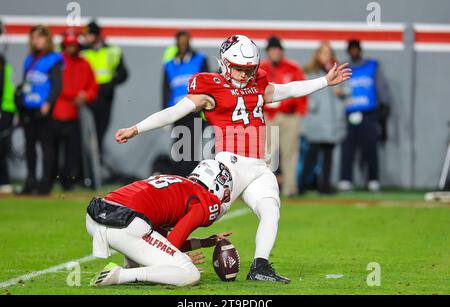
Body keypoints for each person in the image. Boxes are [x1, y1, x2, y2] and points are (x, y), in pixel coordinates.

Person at [115, 35, 351, 283]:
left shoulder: (257, 82)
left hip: (259, 166)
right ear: (225, 63)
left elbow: (287, 90)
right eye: (238, 68)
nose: (243, 74)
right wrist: (136, 129)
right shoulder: (210, 86)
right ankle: (148, 255)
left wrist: (324, 81)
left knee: (271, 209)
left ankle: (260, 265)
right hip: (229, 167)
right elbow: (174, 111)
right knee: (196, 213)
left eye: (248, 69)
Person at [87, 159, 233, 287]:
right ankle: (120, 275)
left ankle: (130, 268)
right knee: (190, 274)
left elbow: (162, 243)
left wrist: (202, 242)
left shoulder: (175, 181)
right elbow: (172, 244)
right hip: (126, 223)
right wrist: (182, 259)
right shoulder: (206, 200)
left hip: (96, 215)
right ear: (218, 185)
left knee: (150, 245)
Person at [45, 29, 98, 192]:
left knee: (72, 152)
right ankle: (48, 180)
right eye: (68, 45)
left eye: (73, 45)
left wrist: (85, 96)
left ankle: (67, 182)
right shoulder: (57, 61)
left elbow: (93, 86)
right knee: (51, 151)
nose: (71, 49)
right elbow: (50, 85)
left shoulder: (84, 63)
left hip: (74, 113)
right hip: (55, 111)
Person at [338, 39, 391, 192]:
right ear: (348, 51)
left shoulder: (372, 65)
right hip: (349, 113)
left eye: (356, 49)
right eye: (351, 49)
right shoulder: (344, 68)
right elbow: (339, 90)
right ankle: (345, 179)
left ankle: (373, 179)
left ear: (360, 50)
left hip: (368, 113)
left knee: (371, 148)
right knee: (347, 148)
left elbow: (381, 87)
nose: (354, 52)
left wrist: (384, 105)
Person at [16, 25, 63, 195]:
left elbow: (57, 85)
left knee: (46, 148)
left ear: (47, 39)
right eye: (33, 37)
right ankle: (30, 182)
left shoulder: (54, 59)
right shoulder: (30, 59)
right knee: (29, 148)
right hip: (29, 109)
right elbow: (25, 83)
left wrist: (48, 103)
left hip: (44, 110)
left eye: (40, 37)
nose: (36, 41)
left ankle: (45, 184)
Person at [299, 42, 349, 195]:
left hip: (333, 122)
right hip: (317, 120)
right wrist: (314, 104)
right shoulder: (310, 72)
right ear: (317, 55)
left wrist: (342, 92)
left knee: (328, 156)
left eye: (328, 53)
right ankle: (302, 185)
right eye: (323, 53)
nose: (326, 56)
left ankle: (324, 185)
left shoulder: (336, 70)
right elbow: (304, 93)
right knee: (311, 155)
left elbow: (348, 90)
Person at [260, 36, 307, 197]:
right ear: (268, 52)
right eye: (272, 49)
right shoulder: (260, 69)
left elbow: (301, 89)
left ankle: (290, 188)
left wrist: (300, 111)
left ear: (282, 51)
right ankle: (262, 188)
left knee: (290, 153)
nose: (275, 52)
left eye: (278, 49)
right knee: (264, 154)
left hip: (288, 116)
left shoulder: (292, 68)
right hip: (267, 116)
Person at [162, 30, 209, 176]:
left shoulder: (200, 60)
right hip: (177, 112)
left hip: (194, 111)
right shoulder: (170, 65)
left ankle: (191, 179)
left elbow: (206, 85)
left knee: (193, 148)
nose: (183, 45)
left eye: (185, 42)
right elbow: (165, 90)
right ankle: (179, 179)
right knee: (178, 148)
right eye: (180, 42)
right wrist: (165, 115)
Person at [81, 20, 128, 157]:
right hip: (87, 97)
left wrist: (111, 84)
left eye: (88, 35)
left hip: (104, 98)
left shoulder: (112, 51)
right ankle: (82, 173)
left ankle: (95, 173)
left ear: (96, 35)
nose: (86, 38)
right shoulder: (82, 51)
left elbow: (123, 74)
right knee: (84, 136)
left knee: (99, 135)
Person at [0, 20, 17, 194]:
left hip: (4, 108)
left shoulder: (2, 60)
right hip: (6, 108)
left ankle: (3, 181)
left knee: (2, 147)